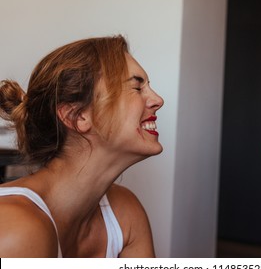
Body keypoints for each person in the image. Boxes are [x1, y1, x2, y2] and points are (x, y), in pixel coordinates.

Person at [0, 35, 164, 257]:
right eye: (137, 87)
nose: (158, 100)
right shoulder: (15, 228)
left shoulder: (124, 213)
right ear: (78, 116)